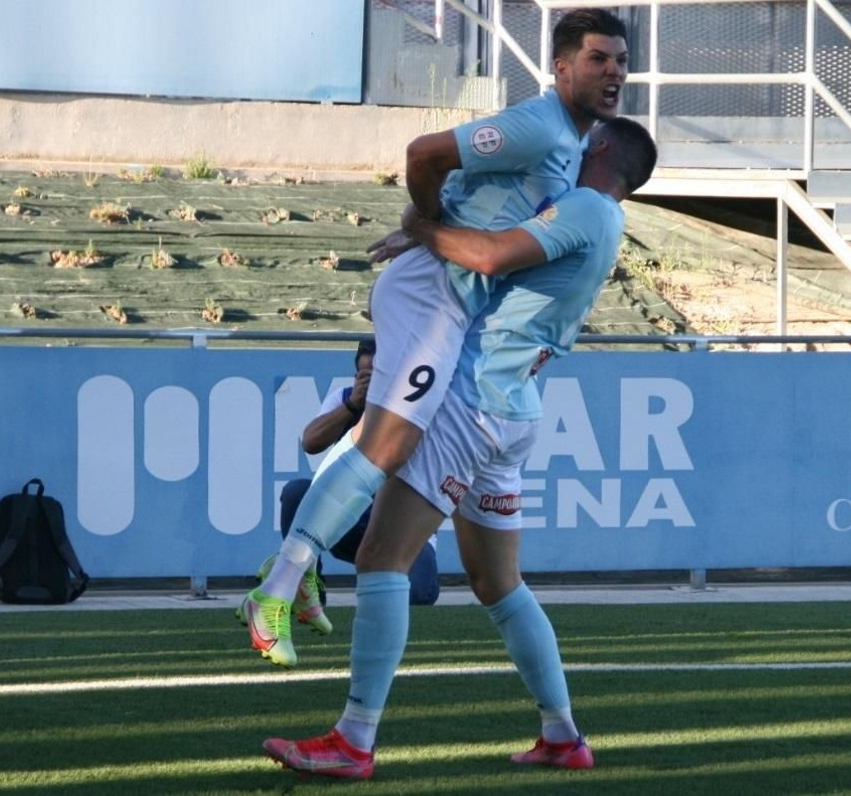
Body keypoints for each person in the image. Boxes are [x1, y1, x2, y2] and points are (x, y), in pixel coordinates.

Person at [261, 117, 659, 780]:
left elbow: (492, 256)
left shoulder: (587, 207)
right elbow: (493, 253)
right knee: (498, 583)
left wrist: (423, 229)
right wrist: (433, 239)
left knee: (382, 557)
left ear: (604, 149)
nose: (576, 141)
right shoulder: (600, 219)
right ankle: (562, 734)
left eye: (588, 138)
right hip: (512, 412)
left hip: (471, 405)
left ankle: (354, 740)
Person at [242, 8, 631, 667]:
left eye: (621, 61)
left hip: (449, 304)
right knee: (388, 442)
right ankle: (277, 586)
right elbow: (425, 155)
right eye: (598, 59)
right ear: (562, 67)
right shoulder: (539, 125)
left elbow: (497, 226)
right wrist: (426, 224)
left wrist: (434, 227)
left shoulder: (567, 151)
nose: (614, 71)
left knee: (386, 443)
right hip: (429, 297)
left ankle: (296, 572)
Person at [268, 341, 440, 610]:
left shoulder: (416, 404)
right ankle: (306, 587)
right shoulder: (344, 398)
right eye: (366, 376)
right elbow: (310, 442)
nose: (374, 383)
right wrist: (352, 405)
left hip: (403, 527)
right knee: (296, 492)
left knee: (417, 595)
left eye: (380, 375)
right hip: (351, 518)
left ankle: (384, 584)